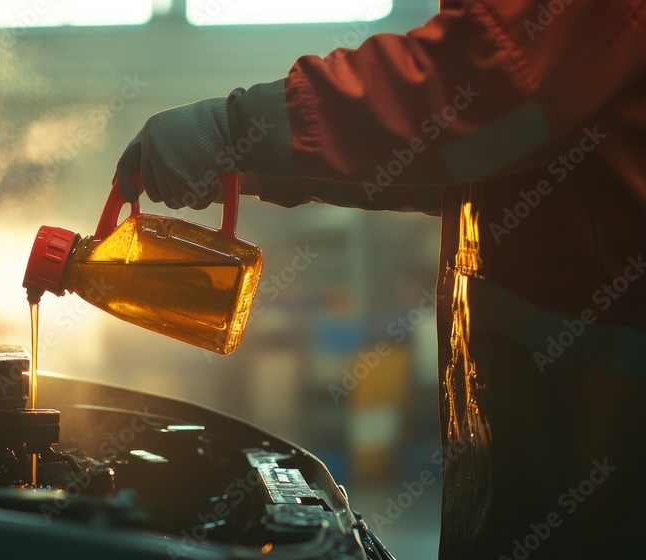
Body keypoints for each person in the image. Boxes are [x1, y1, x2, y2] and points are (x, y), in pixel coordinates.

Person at [114, 1, 646, 558]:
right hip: (558, 454)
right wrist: (249, 160)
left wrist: (238, 129)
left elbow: (486, 83)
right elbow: (462, 160)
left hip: (608, 455)